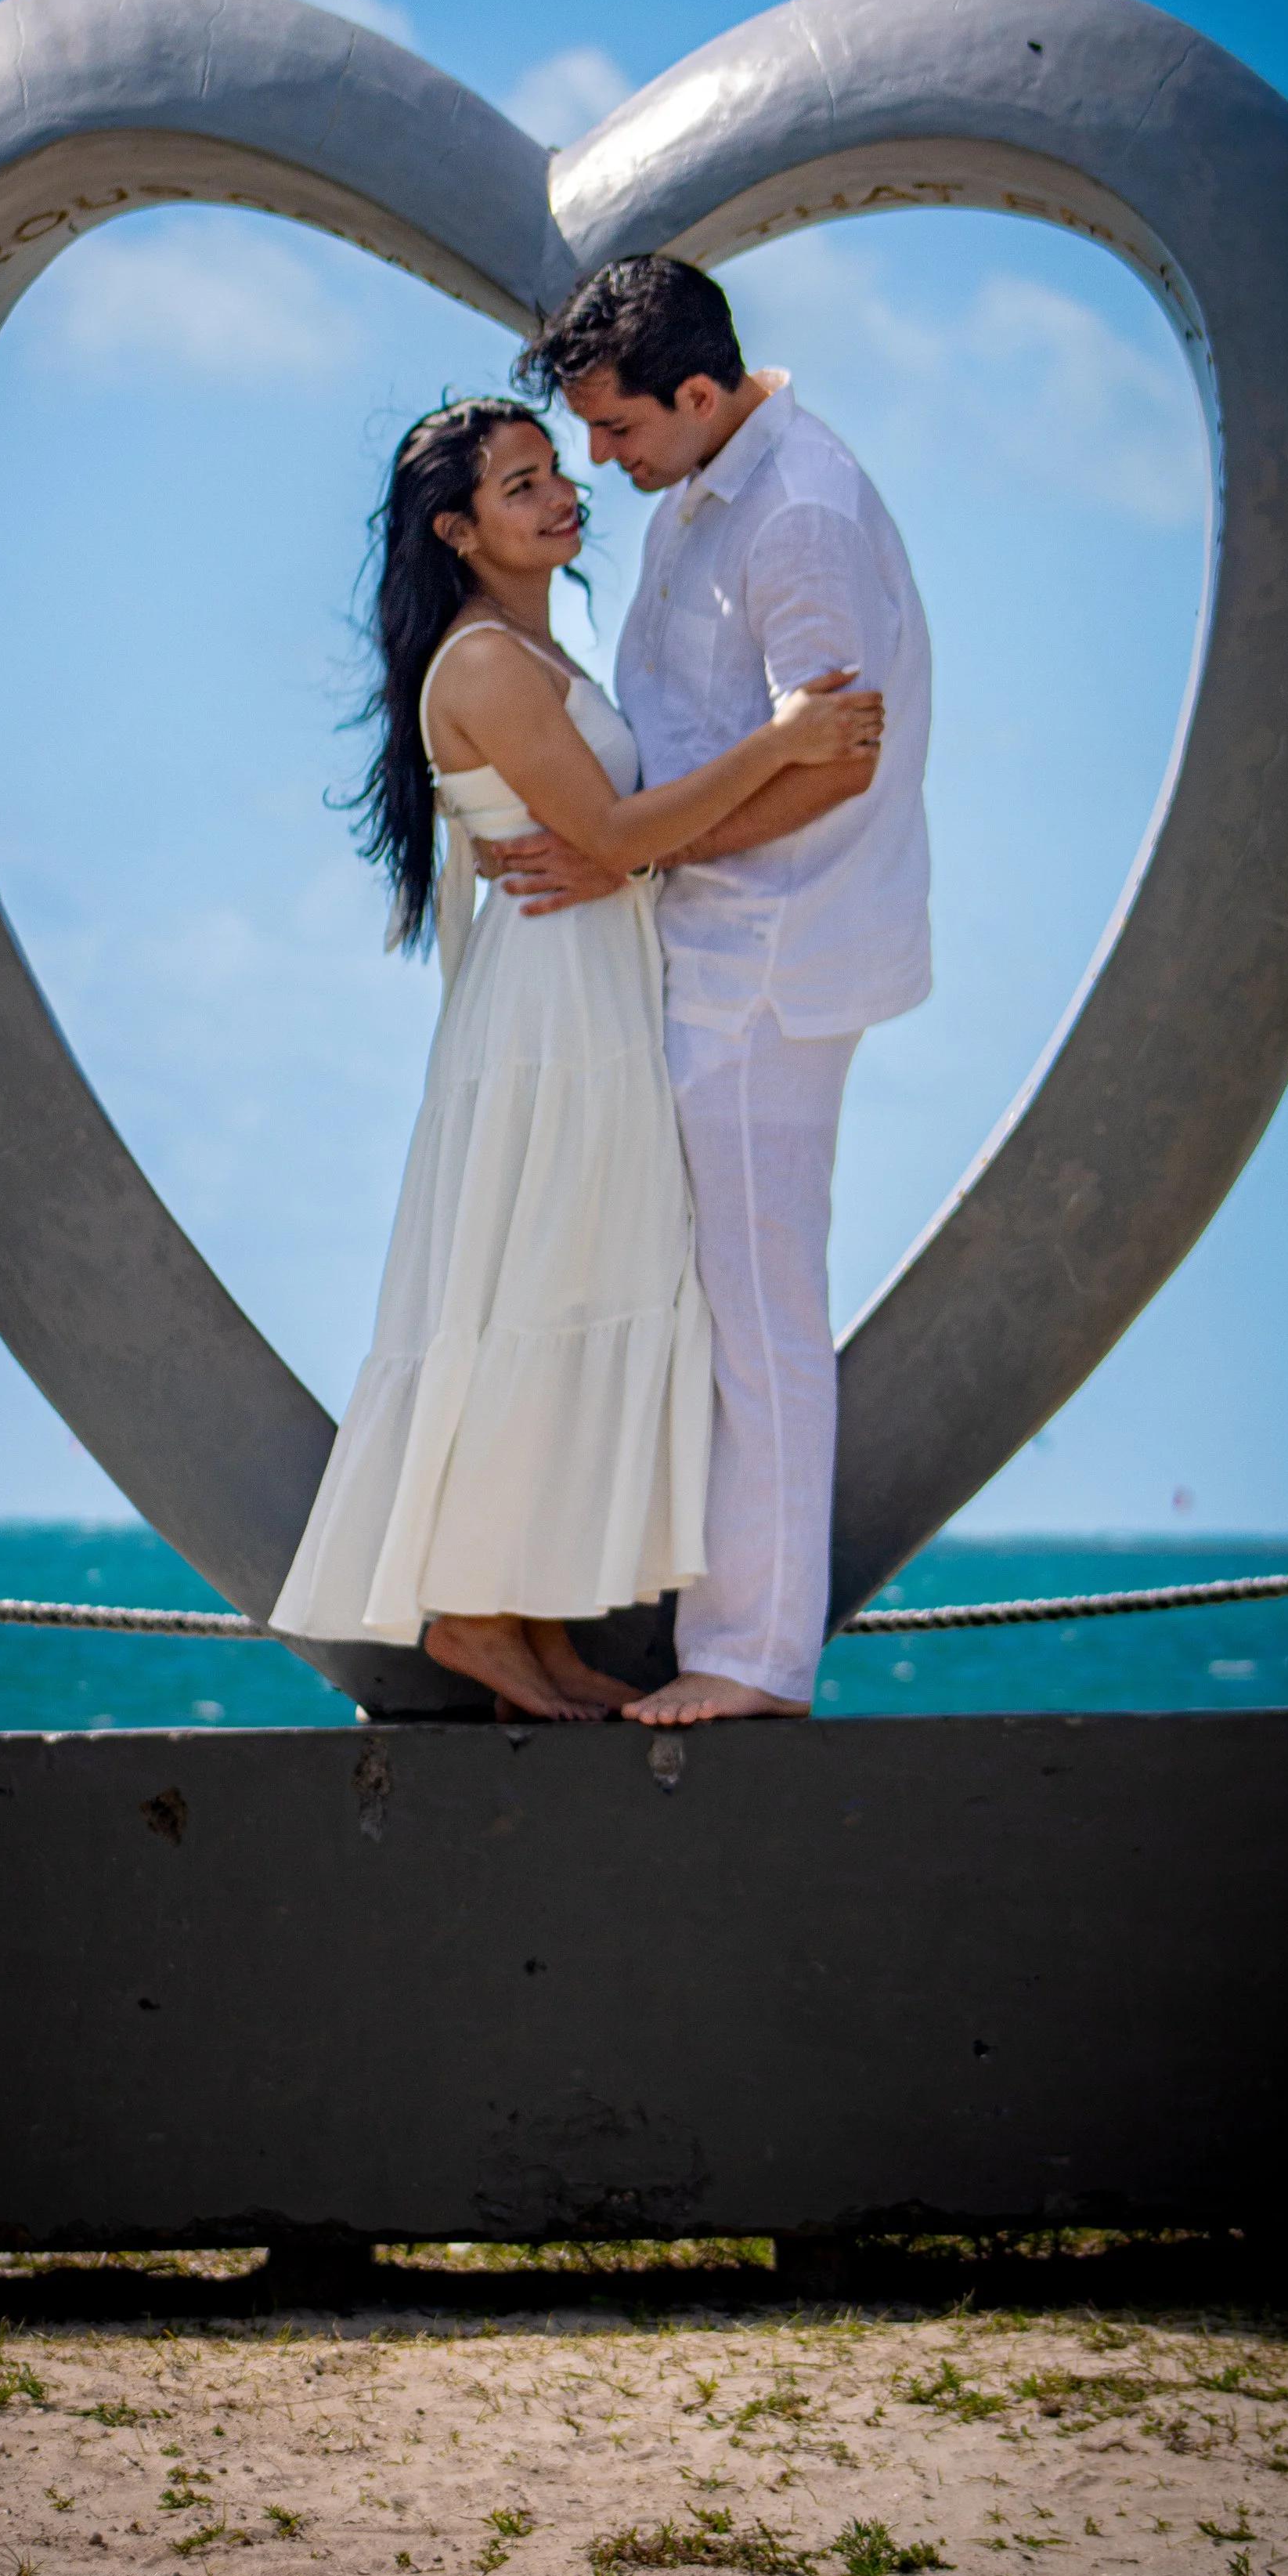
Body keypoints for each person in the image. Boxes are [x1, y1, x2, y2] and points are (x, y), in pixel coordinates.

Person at [268, 396, 884, 1722]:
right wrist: (779, 747)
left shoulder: (538, 652)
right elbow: (610, 827)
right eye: (523, 484)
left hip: (594, 994)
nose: (564, 496)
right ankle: (478, 1618)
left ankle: (528, 1623)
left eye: (557, 473)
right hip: (550, 1016)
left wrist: (623, 846)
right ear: (457, 529)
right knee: (537, 1284)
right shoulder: (483, 662)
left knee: (581, 1278)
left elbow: (611, 839)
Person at [501, 258, 933, 1726]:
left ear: (697, 395)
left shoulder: (798, 510)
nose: (599, 464)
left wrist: (628, 856)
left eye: (615, 431)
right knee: (711, 1312)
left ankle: (753, 1659)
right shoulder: (710, 482)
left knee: (761, 1320)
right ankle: (692, 1623)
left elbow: (837, 756)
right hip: (706, 945)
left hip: (770, 960)